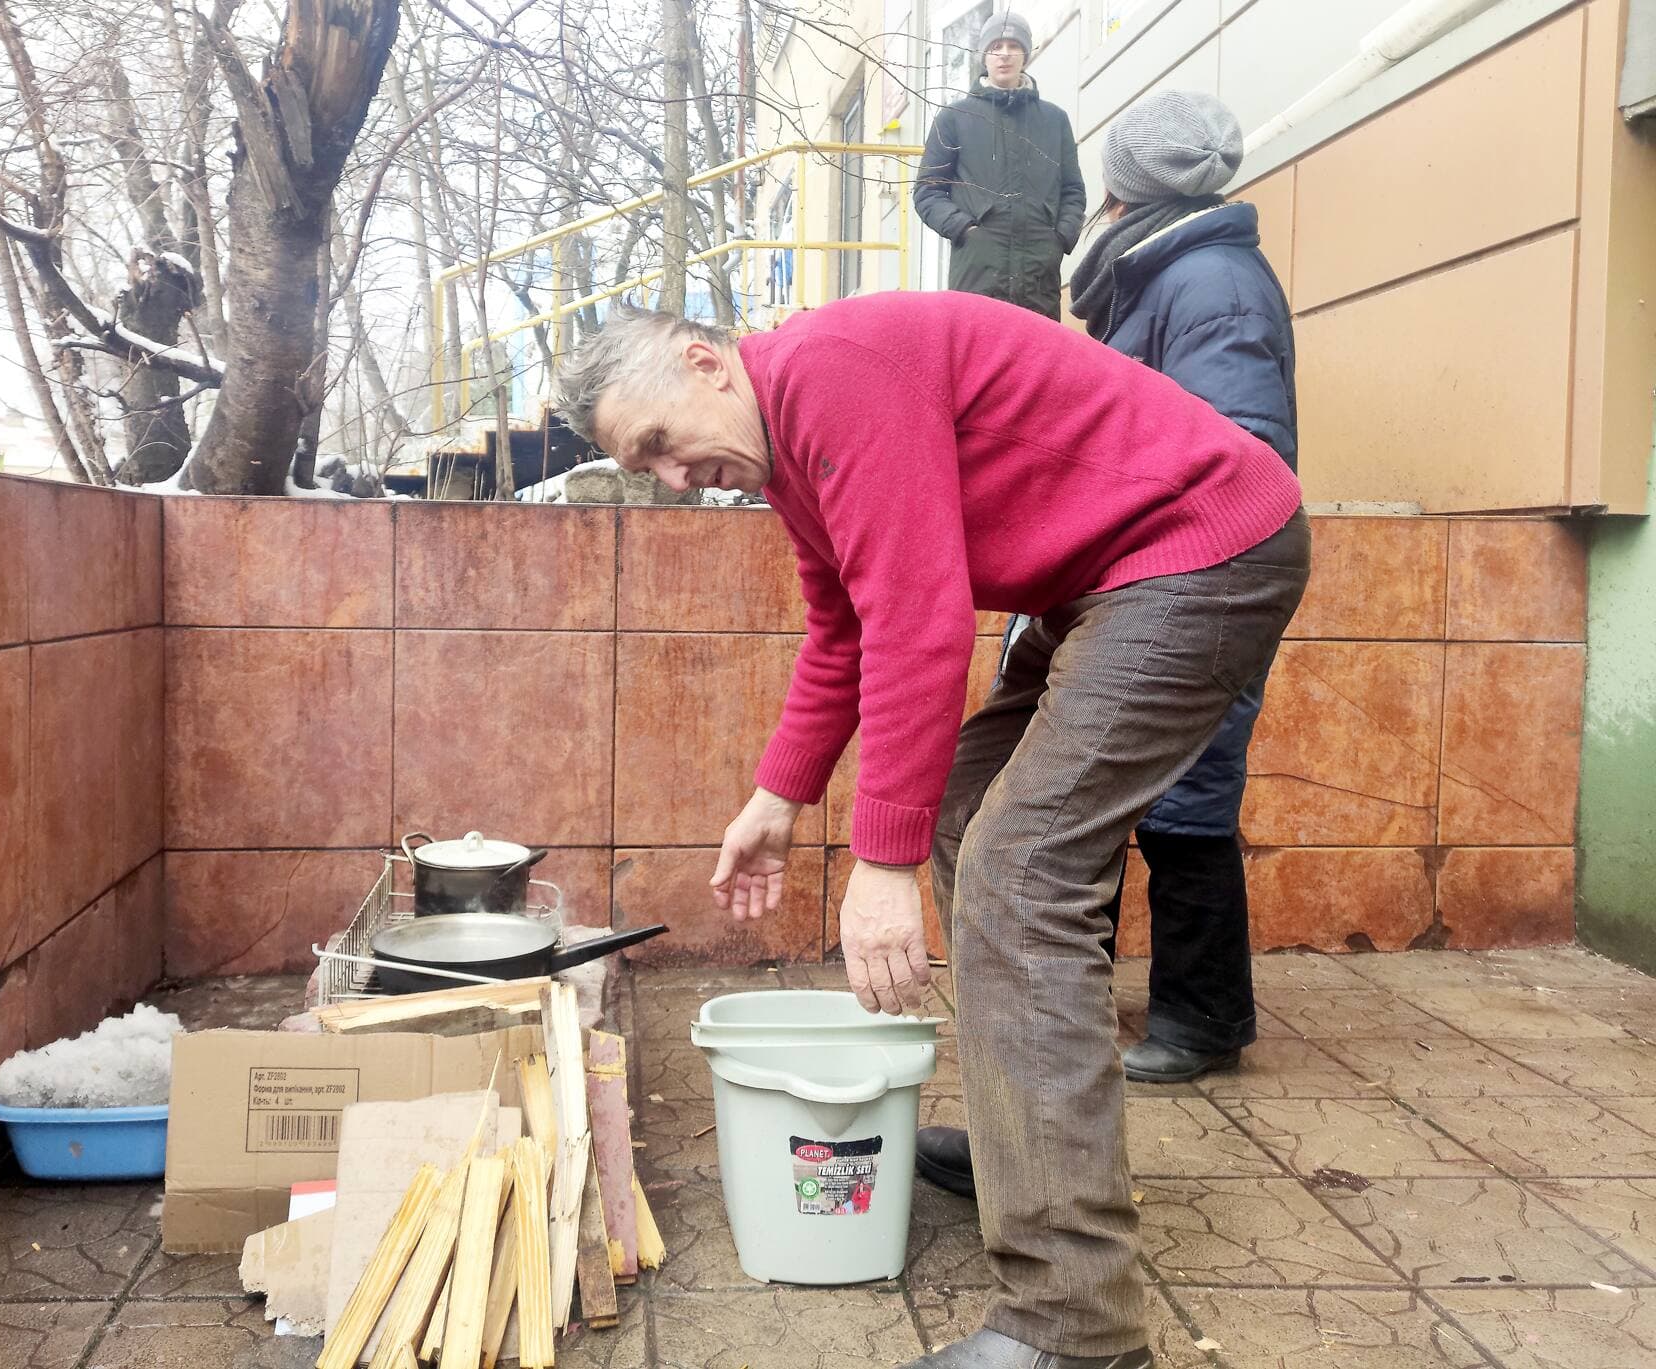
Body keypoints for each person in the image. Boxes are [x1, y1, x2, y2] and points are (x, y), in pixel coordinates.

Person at [553, 291, 1307, 1369]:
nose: (675, 478)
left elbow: (919, 617)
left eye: (662, 443)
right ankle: (1027, 1155)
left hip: (1196, 552)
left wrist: (882, 863)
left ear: (705, 362)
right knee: (969, 810)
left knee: (1018, 872)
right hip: (1114, 576)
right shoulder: (788, 448)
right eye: (649, 468)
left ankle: (1073, 1326)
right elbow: (844, 630)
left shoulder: (831, 372)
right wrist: (776, 799)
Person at [914, 90, 1297, 1207]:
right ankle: (1039, 1113)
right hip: (1124, 577)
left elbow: (1240, 441)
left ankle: (1199, 1018)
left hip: (1183, 573)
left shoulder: (1209, 280)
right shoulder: (1150, 270)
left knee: (1182, 809)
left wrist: (1122, 527)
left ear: (1128, 184)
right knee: (1071, 830)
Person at [913, 12, 1084, 318]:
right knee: (977, 345)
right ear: (984, 55)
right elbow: (928, 191)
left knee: (1036, 349)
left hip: (1039, 277)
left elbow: (1073, 190)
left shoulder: (1054, 120)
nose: (1004, 54)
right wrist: (964, 229)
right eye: (996, 46)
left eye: (1013, 46)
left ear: (1025, 55)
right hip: (977, 274)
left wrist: (1059, 238)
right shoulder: (955, 118)